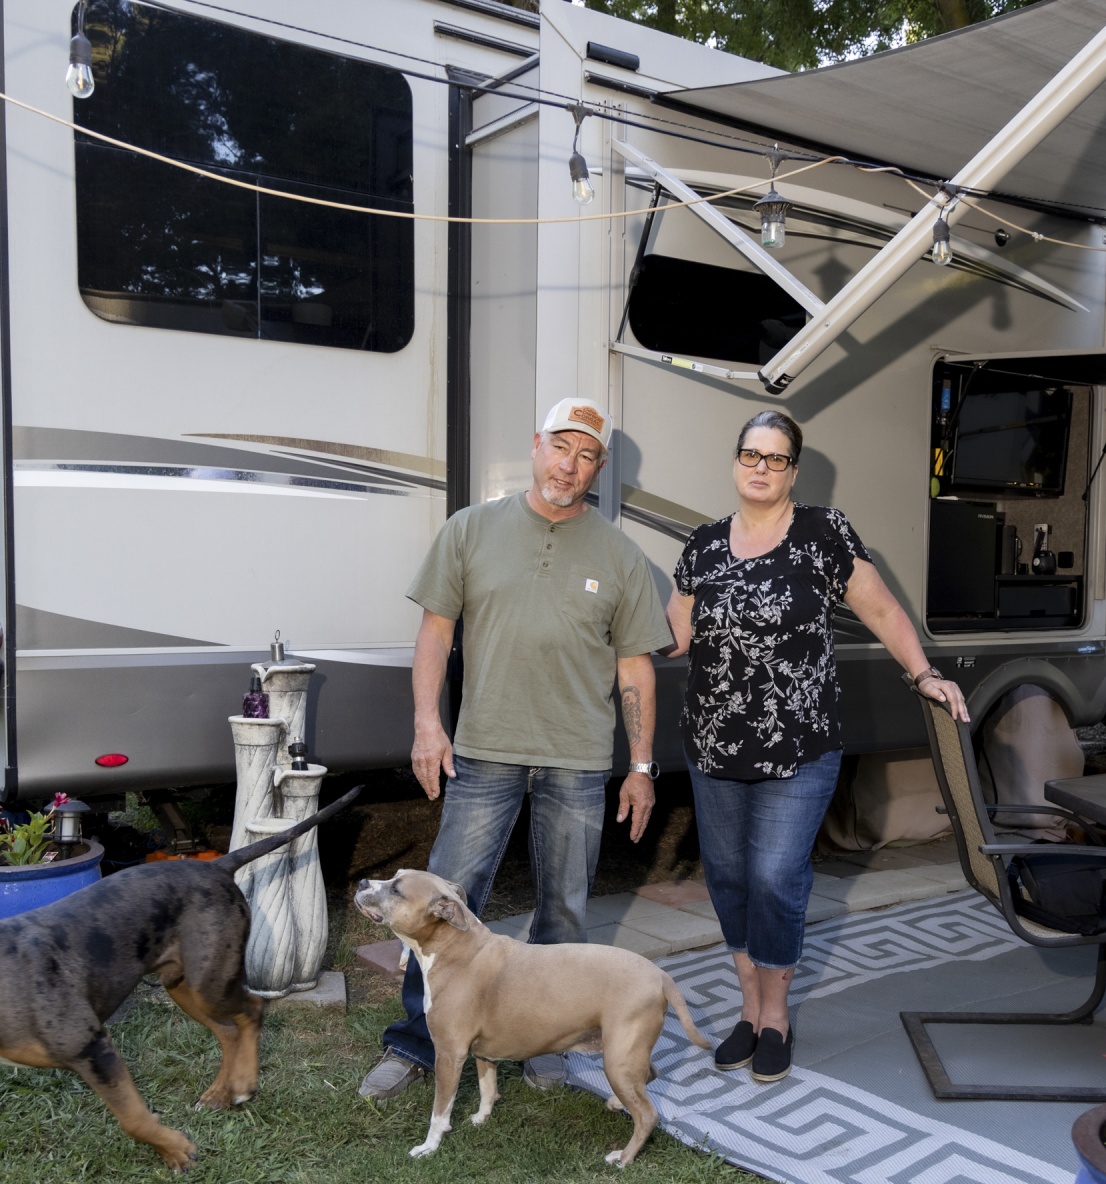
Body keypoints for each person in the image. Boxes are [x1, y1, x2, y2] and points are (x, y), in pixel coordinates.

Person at [359, 397, 674, 1100]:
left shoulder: (622, 557)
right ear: (536, 446)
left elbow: (635, 669)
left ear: (598, 468)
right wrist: (426, 724)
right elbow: (436, 633)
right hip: (485, 749)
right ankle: (416, 1041)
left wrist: (643, 766)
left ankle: (545, 1042)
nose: (571, 464)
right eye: (562, 446)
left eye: (587, 455)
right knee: (437, 902)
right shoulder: (471, 530)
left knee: (563, 909)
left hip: (579, 757)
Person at [665, 409, 968, 1084]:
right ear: (735, 462)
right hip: (714, 747)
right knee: (731, 879)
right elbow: (677, 623)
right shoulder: (705, 545)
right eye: (751, 454)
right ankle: (746, 1013)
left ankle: (776, 1017)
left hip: (800, 746)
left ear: (793, 471)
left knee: (776, 875)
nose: (761, 468)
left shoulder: (822, 533)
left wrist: (924, 673)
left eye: (775, 459)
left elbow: (883, 607)